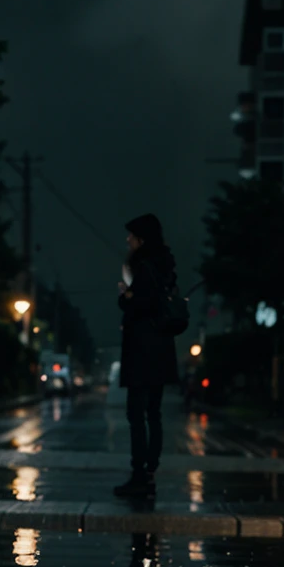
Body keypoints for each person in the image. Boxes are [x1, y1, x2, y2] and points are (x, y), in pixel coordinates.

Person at [114, 213, 179, 497]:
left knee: (136, 414)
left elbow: (139, 305)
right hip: (162, 348)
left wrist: (125, 296)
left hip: (141, 349)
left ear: (141, 239)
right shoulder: (167, 266)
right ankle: (150, 472)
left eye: (131, 236)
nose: (128, 240)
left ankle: (138, 474)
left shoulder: (142, 267)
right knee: (154, 413)